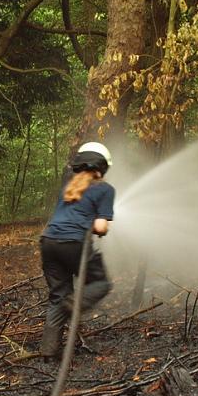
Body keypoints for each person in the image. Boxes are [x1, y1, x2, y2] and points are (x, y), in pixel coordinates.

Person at [39, 142, 116, 359]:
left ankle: (48, 353)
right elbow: (101, 227)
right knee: (101, 283)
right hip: (74, 243)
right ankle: (72, 304)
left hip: (48, 242)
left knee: (56, 297)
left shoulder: (68, 185)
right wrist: (98, 225)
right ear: (102, 167)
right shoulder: (105, 189)